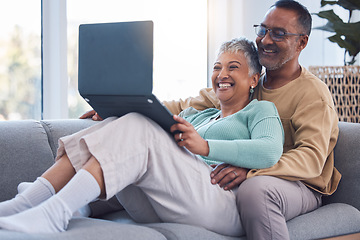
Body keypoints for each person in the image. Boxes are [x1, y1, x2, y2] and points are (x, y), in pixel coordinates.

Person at [0, 38, 284, 236]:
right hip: (166, 201)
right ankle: (26, 203)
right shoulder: (197, 115)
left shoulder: (260, 110)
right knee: (123, 120)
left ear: (253, 79)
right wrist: (113, 119)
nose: (222, 74)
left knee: (137, 124)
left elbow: (270, 150)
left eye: (233, 67)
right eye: (217, 67)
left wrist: (205, 146)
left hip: (221, 204)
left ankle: (55, 212)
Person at [162, 1, 341, 239]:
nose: (265, 40)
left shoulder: (313, 94)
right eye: (262, 30)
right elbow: (185, 105)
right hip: (250, 171)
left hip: (301, 184)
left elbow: (310, 159)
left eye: (278, 33)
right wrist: (125, 105)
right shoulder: (245, 82)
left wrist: (252, 170)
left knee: (255, 190)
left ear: (302, 42)